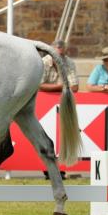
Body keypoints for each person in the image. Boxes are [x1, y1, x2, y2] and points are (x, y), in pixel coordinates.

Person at [39, 40, 78, 180]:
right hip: (42, 105)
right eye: (56, 54)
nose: (59, 58)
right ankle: (47, 169)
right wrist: (62, 87)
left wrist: (58, 88)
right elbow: (38, 85)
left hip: (62, 104)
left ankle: (58, 169)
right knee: (44, 136)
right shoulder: (43, 62)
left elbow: (74, 87)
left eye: (61, 54)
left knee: (59, 136)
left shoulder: (69, 62)